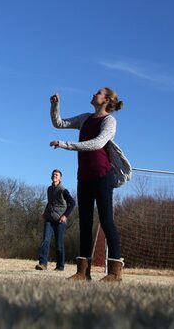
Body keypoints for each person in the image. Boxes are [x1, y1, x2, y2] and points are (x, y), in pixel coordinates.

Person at [49, 88, 131, 282]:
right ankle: (83, 272)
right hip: (83, 176)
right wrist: (54, 106)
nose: (94, 93)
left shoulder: (110, 121)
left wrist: (65, 144)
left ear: (107, 100)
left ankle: (114, 272)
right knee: (84, 223)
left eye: (99, 92)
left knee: (106, 221)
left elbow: (97, 143)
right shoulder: (85, 118)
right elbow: (59, 123)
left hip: (103, 176)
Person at [35, 169, 75, 272]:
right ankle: (43, 264)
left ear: (60, 178)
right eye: (53, 174)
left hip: (60, 220)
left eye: (57, 175)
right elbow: (49, 203)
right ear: (51, 177)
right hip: (49, 218)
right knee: (45, 240)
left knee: (59, 244)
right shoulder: (49, 189)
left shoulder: (63, 190)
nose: (54, 176)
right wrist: (44, 212)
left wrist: (65, 216)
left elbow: (72, 203)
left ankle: (60, 266)